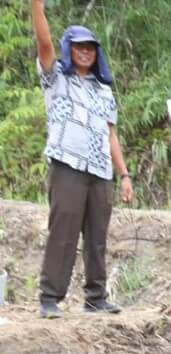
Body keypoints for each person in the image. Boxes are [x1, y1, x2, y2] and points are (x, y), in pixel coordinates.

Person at [30, 0, 133, 319]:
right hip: (68, 165)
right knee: (64, 230)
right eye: (79, 47)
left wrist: (125, 174)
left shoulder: (103, 90)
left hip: (100, 169)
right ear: (69, 49)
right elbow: (44, 43)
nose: (85, 52)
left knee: (97, 234)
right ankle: (50, 297)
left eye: (90, 47)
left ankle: (96, 296)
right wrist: (37, 6)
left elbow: (110, 134)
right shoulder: (56, 78)